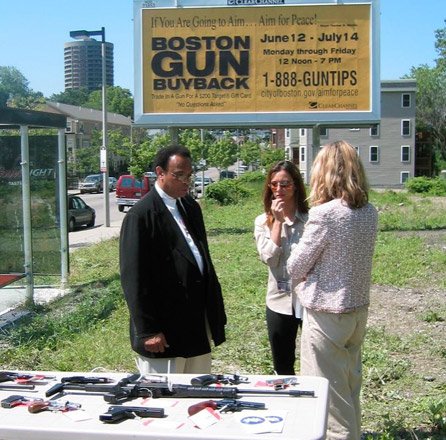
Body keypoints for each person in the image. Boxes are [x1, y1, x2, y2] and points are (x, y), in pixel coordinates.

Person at [287, 140, 378, 440]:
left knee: (329, 401)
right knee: (350, 389)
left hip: (326, 316)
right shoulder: (369, 212)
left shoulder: (325, 214)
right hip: (356, 312)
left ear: (323, 173)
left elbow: (295, 267)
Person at [119, 144, 226, 374]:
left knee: (198, 395)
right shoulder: (141, 216)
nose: (186, 181)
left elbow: (202, 260)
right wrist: (147, 330)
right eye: (179, 175)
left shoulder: (190, 207)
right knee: (165, 401)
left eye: (189, 175)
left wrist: (215, 313)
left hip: (196, 323)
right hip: (163, 332)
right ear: (160, 173)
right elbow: (133, 278)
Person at [254, 160, 309, 375]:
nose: (278, 190)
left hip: (307, 299)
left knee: (312, 359)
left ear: (296, 185)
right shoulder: (262, 222)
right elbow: (269, 258)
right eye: (274, 184)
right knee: (282, 364)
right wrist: (277, 222)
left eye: (284, 184)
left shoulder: (310, 220)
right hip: (279, 300)